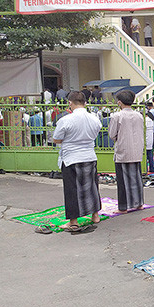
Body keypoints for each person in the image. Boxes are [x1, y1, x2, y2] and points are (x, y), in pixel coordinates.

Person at [52, 91, 102, 232]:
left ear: (70, 103)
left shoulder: (65, 120)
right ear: (85, 103)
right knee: (92, 186)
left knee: (72, 189)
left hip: (71, 158)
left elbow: (56, 139)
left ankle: (73, 221)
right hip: (89, 156)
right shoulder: (94, 119)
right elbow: (95, 133)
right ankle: (95, 214)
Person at [108, 90, 145, 214]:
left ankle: (123, 207)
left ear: (119, 102)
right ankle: (139, 203)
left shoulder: (117, 116)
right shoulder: (139, 115)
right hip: (137, 149)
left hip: (123, 149)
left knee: (123, 180)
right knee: (136, 178)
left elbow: (112, 134)